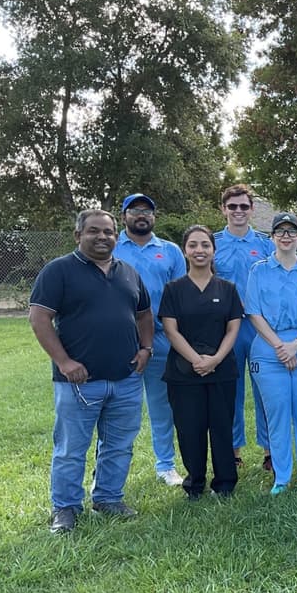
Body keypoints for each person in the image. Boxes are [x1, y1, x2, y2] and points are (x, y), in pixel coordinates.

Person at [29, 209, 153, 533]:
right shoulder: (58, 271)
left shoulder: (128, 272)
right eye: (94, 231)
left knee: (119, 445)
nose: (102, 237)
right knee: (71, 449)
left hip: (125, 379)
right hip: (78, 383)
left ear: (117, 235)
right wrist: (65, 362)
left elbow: (144, 315)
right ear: (78, 236)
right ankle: (66, 508)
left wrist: (146, 349)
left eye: (108, 232)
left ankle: (109, 498)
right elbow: (39, 318)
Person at [244, 212, 297, 495]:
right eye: (280, 231)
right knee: (277, 414)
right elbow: (253, 312)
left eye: (292, 231)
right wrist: (280, 346)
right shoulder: (259, 270)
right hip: (269, 349)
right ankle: (281, 476)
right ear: (272, 237)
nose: (286, 236)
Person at [159, 225, 244, 500]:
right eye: (193, 245)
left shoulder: (228, 289)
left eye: (205, 245)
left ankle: (225, 483)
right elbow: (171, 329)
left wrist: (216, 359)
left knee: (221, 426)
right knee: (190, 428)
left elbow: (233, 328)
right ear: (185, 250)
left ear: (213, 250)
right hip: (184, 372)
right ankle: (194, 484)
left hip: (222, 370)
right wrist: (197, 360)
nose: (199, 250)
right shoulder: (173, 289)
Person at [112, 193, 187, 486]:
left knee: (161, 406)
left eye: (147, 210)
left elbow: (181, 295)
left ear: (154, 217)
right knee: (116, 409)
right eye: (134, 210)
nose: (141, 215)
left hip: (161, 340)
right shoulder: (110, 247)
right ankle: (105, 472)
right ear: (124, 216)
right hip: (119, 341)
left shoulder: (170, 251)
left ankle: (165, 466)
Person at [213, 184, 275, 469]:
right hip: (226, 328)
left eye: (244, 206)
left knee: (265, 388)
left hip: (259, 326)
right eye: (232, 206)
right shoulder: (212, 243)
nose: (238, 211)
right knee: (230, 390)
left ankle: (269, 451)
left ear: (252, 210)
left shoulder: (265, 244)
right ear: (223, 209)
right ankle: (233, 451)